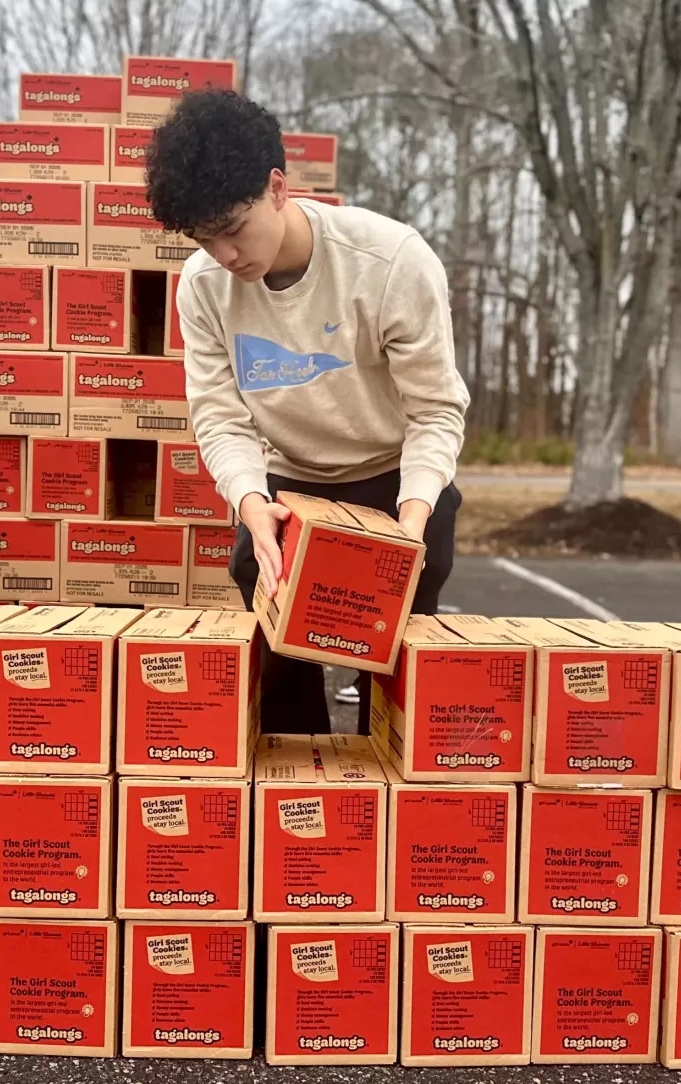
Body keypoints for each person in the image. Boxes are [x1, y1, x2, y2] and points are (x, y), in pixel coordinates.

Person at [148, 89, 470, 734]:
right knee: (276, 655)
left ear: (276, 187)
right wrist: (248, 500)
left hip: (394, 477)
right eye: (203, 240)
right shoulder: (203, 286)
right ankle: (304, 805)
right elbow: (219, 416)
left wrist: (411, 523)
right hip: (289, 483)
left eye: (233, 230)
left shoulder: (390, 262)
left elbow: (436, 411)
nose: (225, 256)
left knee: (398, 671)